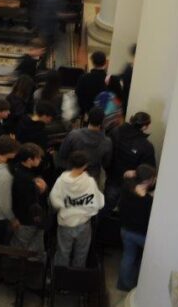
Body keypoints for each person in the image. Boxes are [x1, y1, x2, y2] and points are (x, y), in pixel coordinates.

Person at [49, 150, 104, 267]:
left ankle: (61, 276)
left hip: (65, 223)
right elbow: (98, 203)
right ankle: (76, 276)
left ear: (70, 163)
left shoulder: (61, 180)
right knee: (81, 254)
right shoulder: (90, 182)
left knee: (62, 253)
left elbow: (54, 201)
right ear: (85, 165)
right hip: (84, 224)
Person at [106, 112, 157, 211]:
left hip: (112, 178)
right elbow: (149, 170)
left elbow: (107, 152)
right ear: (145, 127)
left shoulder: (116, 132)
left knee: (107, 207)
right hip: (130, 187)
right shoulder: (146, 146)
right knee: (125, 211)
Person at [117, 164, 156, 292]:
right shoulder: (148, 201)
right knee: (143, 258)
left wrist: (137, 173)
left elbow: (126, 175)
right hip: (141, 235)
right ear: (148, 181)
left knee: (128, 256)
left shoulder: (126, 187)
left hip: (125, 230)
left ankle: (124, 285)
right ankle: (139, 284)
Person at [10, 143, 47, 252]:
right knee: (23, 249)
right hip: (27, 220)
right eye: (38, 158)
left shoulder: (16, 169)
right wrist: (42, 189)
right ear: (29, 160)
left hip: (23, 218)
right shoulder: (26, 179)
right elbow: (29, 200)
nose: (40, 160)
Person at [58, 107, 113, 180]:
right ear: (103, 122)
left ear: (87, 118)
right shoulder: (107, 142)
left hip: (73, 175)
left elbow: (62, 154)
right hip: (92, 178)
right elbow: (106, 163)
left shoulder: (73, 135)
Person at [76, 51, 109, 120]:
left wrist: (85, 110)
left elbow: (78, 95)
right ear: (105, 62)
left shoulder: (83, 78)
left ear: (92, 62)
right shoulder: (112, 80)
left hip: (88, 114)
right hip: (106, 116)